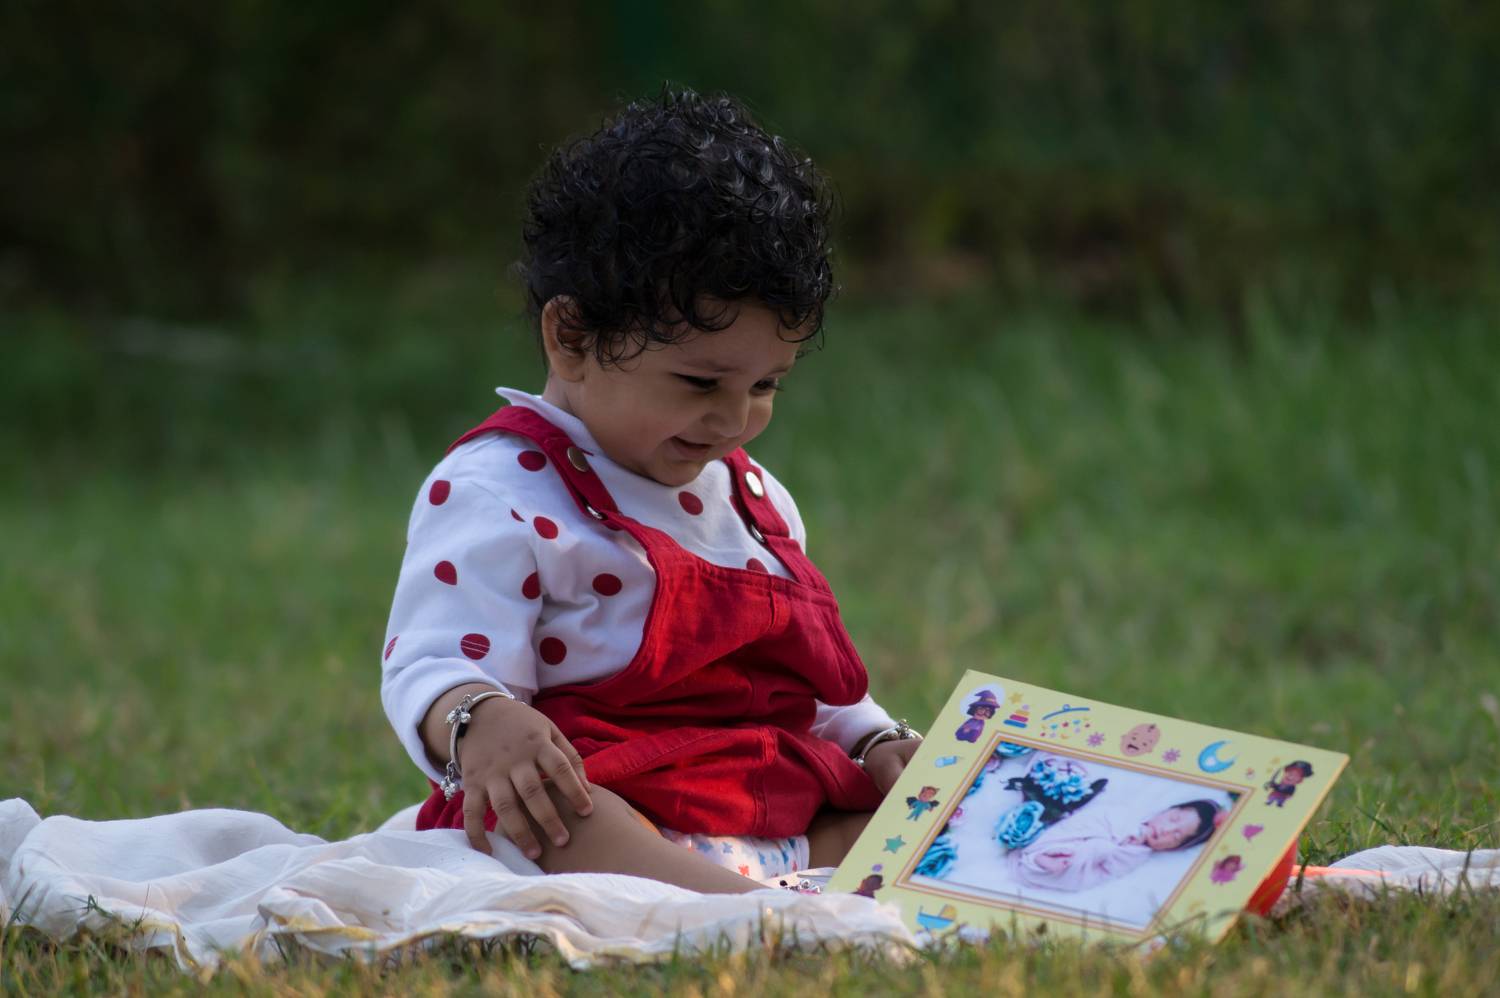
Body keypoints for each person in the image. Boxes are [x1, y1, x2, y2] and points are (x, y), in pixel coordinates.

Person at [379, 87, 921, 895]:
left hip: (765, 815)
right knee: (559, 812)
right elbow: (434, 658)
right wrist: (480, 719)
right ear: (571, 337)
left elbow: (812, 691)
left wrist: (877, 744)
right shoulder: (498, 491)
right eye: (700, 382)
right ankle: (745, 912)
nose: (734, 420)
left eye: (765, 385)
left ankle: (773, 890)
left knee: (913, 815)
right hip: (605, 825)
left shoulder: (757, 505)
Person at [1006, 799, 1224, 892]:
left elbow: (1106, 872)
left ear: (1172, 848)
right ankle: (1039, 857)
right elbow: (1085, 821)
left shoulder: (1139, 855)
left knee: (1101, 849)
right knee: (1092, 843)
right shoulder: (1125, 813)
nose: (1167, 830)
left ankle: (1044, 864)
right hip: (1068, 839)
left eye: (1176, 836)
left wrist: (1124, 848)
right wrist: (1122, 833)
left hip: (1078, 866)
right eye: (1173, 819)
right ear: (1166, 810)